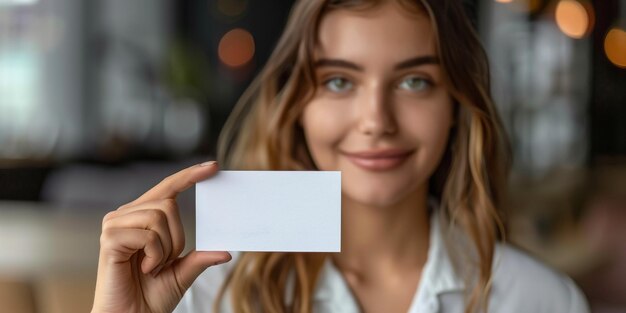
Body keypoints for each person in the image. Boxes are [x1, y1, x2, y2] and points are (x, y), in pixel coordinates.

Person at [91, 0, 590, 312]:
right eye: (338, 81)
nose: (376, 119)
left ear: (456, 107)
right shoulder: (210, 295)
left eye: (415, 81)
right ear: (296, 107)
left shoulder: (543, 300)